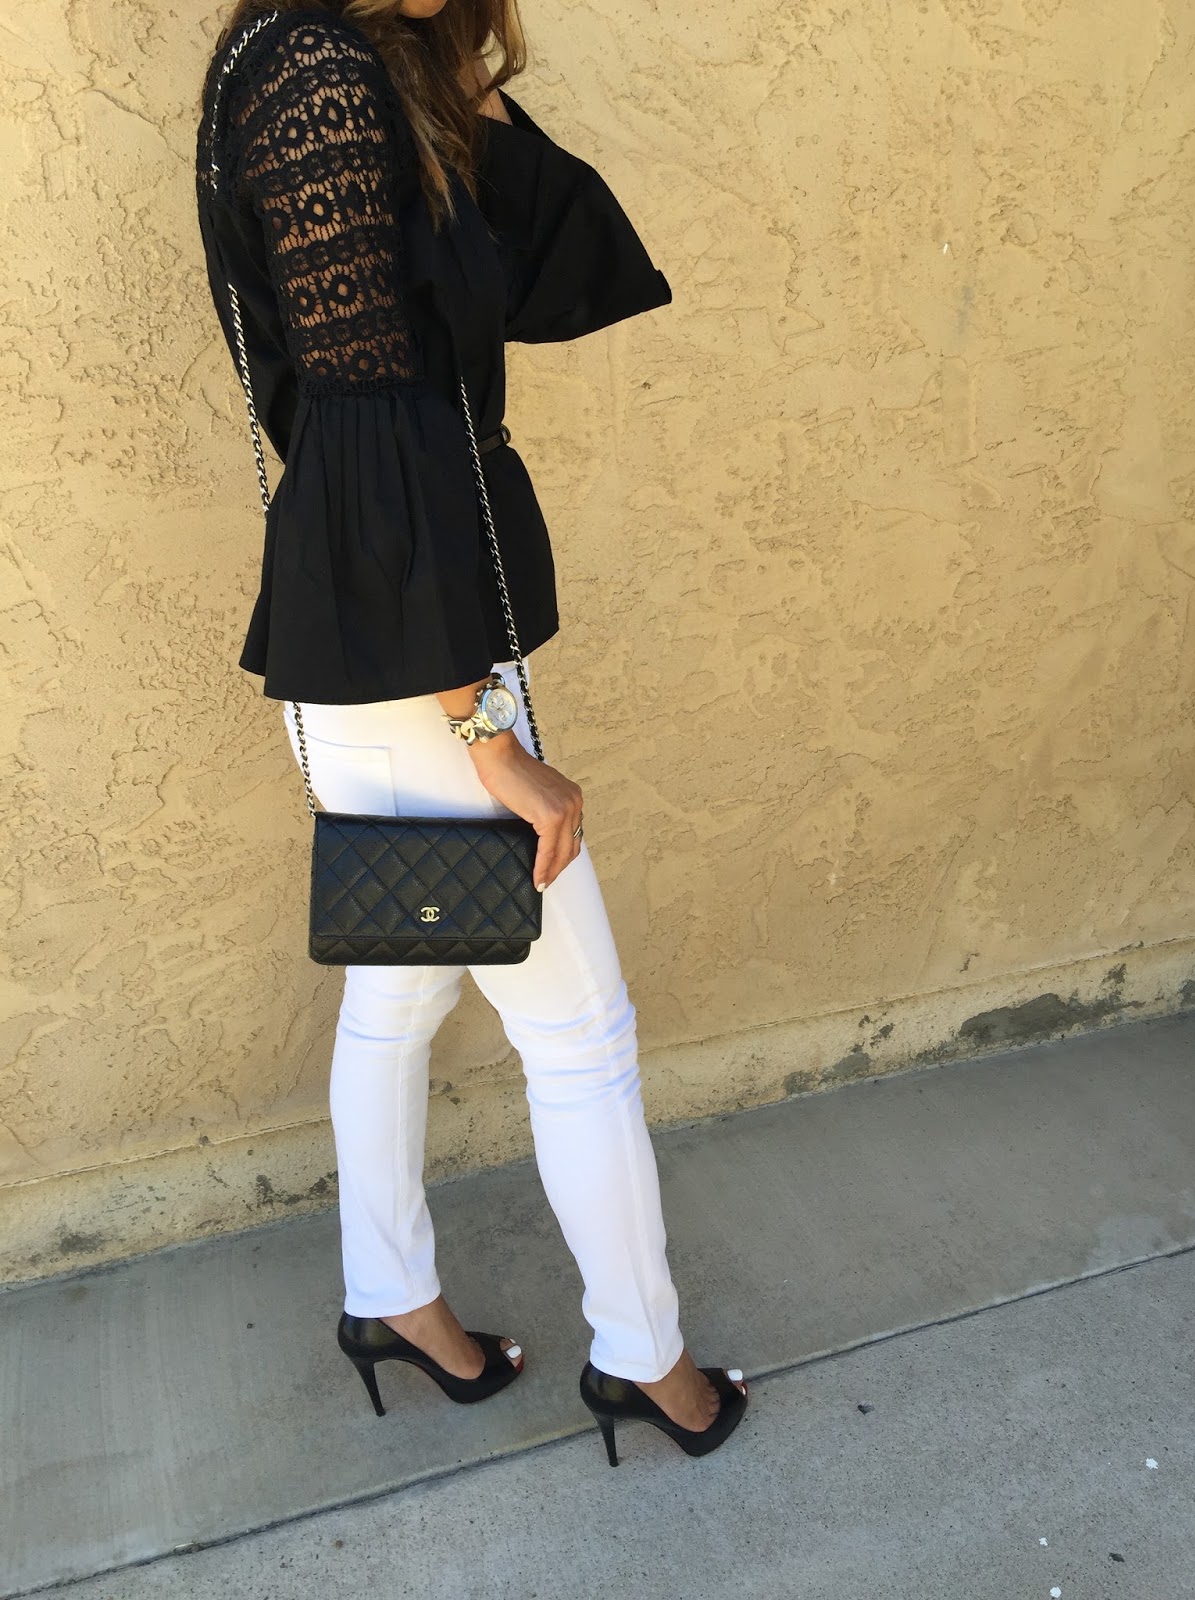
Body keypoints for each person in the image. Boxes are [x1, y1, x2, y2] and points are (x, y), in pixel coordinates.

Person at [196, 0, 747, 1464]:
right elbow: (371, 417)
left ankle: (392, 1302)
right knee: (580, 1032)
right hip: (417, 652)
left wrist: (453, 84)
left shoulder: (329, 57)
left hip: (381, 632)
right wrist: (490, 730)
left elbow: (568, 267)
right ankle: (648, 1361)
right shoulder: (313, 67)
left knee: (401, 996)